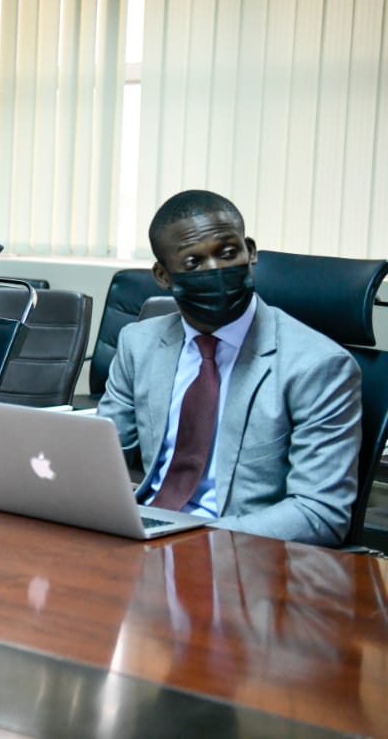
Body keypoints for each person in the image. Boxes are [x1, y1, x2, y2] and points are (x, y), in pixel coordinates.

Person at [97, 189, 361, 547]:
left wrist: (194, 541)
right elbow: (100, 458)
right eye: (193, 262)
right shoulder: (139, 342)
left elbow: (320, 513)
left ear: (250, 251)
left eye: (227, 253)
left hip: (238, 549)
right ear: (162, 275)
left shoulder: (318, 365)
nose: (215, 271)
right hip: (142, 532)